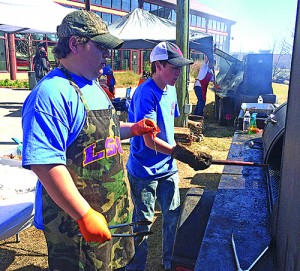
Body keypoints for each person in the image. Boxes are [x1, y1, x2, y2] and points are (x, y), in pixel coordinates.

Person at [21, 10, 159, 271]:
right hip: (76, 227)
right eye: (101, 48)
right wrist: (83, 215)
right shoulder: (51, 94)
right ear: (74, 44)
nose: (107, 56)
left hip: (113, 212)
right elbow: (45, 164)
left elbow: (103, 131)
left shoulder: (94, 86)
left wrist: (134, 128)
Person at [125, 41, 213, 271]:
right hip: (144, 169)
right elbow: (149, 139)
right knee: (143, 222)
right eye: (173, 67)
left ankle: (169, 264)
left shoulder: (171, 88)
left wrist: (184, 148)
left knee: (172, 217)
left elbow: (167, 127)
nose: (178, 72)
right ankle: (136, 267)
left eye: (180, 67)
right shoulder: (146, 94)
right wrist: (182, 154)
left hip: (168, 168)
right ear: (158, 66)